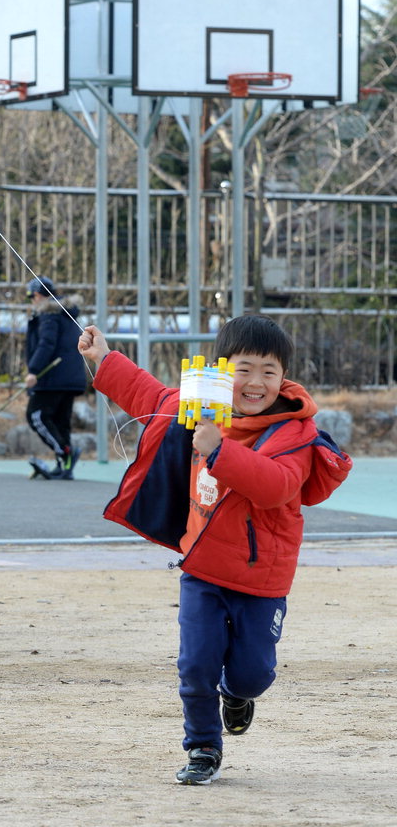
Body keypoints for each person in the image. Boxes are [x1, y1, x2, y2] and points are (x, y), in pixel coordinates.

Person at [78, 314, 351, 785]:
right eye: (244, 368)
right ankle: (203, 747)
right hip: (202, 572)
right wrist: (102, 358)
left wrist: (219, 451)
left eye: (269, 371)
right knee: (195, 665)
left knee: (252, 675)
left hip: (261, 580)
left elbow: (276, 486)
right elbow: (147, 394)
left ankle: (237, 694)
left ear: (284, 377)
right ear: (223, 371)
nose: (255, 382)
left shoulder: (295, 434)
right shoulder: (197, 407)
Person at [25, 276, 85, 479]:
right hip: (69, 377)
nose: (31, 301)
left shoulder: (49, 315)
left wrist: (33, 371)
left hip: (53, 377)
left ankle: (64, 451)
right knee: (60, 420)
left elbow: (46, 344)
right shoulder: (67, 314)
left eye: (31, 297)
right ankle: (65, 465)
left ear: (37, 295)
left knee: (36, 415)